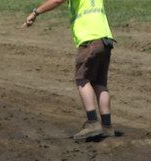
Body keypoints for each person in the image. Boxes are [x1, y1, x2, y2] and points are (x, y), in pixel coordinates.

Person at [21, 0, 116, 141]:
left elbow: (56, 1)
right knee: (99, 83)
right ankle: (107, 127)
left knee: (82, 79)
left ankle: (92, 123)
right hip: (104, 39)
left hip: (90, 39)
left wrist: (35, 12)